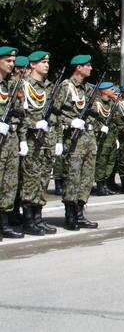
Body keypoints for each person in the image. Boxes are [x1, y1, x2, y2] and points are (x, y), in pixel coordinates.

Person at [53, 54, 101, 230]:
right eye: (88, 65)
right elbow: (54, 113)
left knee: (87, 178)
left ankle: (80, 213)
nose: (91, 68)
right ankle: (70, 215)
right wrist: (69, 123)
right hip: (73, 139)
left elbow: (94, 113)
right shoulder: (66, 87)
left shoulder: (88, 89)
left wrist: (93, 131)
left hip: (88, 138)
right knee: (72, 177)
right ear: (78, 68)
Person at [19, 50, 60, 235]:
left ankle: (38, 218)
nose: (46, 65)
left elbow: (56, 116)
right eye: (42, 62)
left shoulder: (49, 87)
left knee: (43, 180)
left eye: (48, 62)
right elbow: (19, 115)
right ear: (32, 65)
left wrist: (58, 140)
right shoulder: (23, 85)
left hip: (48, 140)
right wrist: (31, 126)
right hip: (31, 141)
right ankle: (28, 221)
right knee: (31, 181)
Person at [0, 46, 24, 239]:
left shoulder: (11, 85)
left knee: (9, 183)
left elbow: (20, 113)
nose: (12, 64)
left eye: (13, 61)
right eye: (8, 60)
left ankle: (4, 223)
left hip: (10, 139)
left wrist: (21, 139)